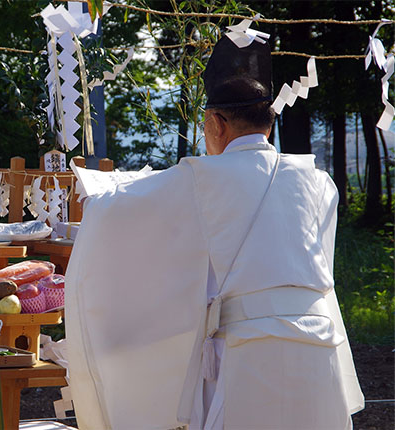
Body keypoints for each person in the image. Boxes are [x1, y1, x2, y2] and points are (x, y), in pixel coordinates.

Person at [64, 34, 364, 429]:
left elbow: (124, 205)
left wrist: (93, 192)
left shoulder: (202, 178)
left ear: (214, 123)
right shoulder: (319, 182)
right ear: (269, 124)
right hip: (319, 349)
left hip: (249, 355)